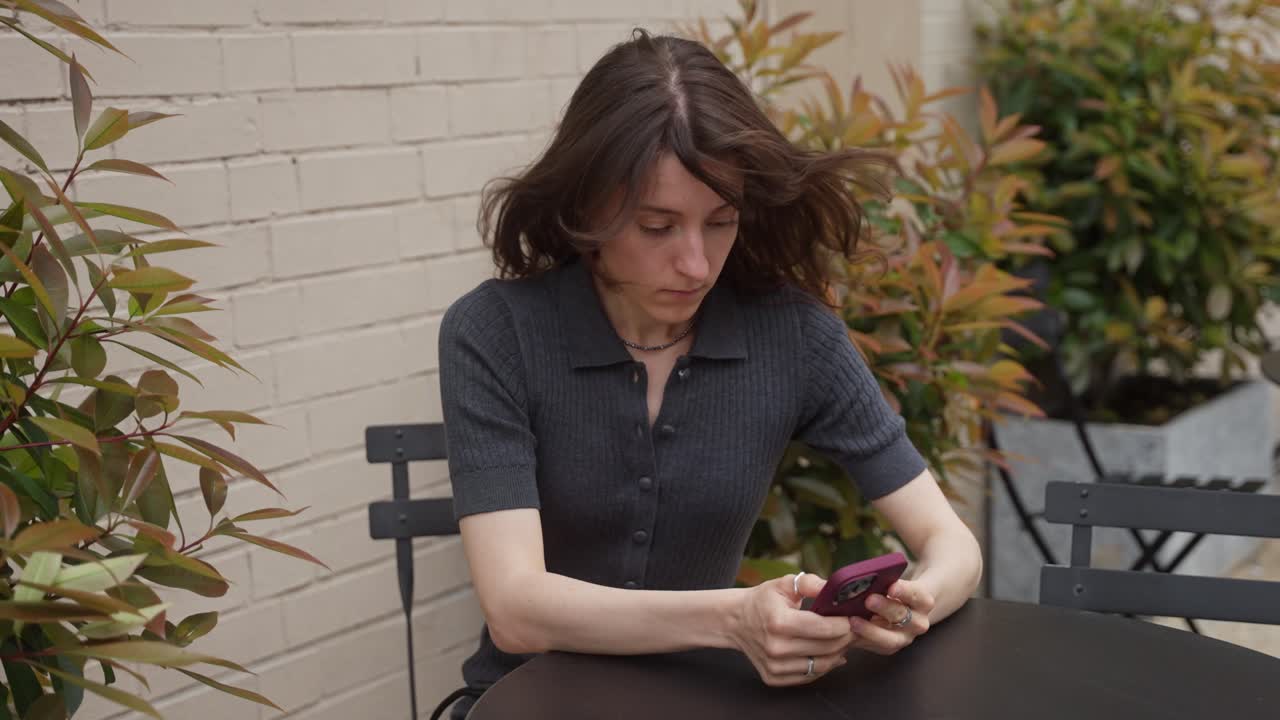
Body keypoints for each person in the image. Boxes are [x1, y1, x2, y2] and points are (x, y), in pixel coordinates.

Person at [435, 29, 983, 720]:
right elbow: (515, 609)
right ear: (586, 208)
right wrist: (732, 619)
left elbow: (953, 545)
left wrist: (914, 603)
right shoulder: (495, 333)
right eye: (657, 227)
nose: (696, 264)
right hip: (523, 705)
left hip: (704, 704)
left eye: (720, 222)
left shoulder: (795, 337)